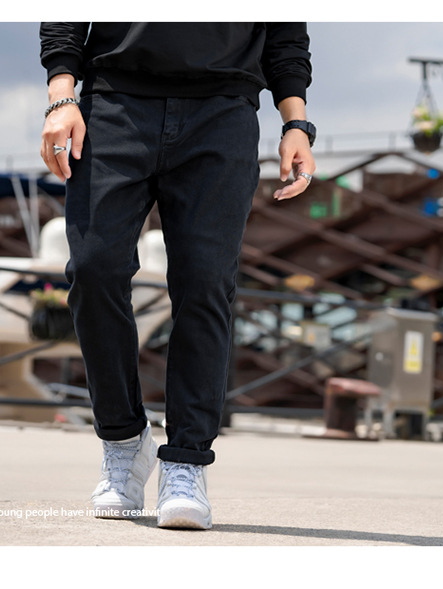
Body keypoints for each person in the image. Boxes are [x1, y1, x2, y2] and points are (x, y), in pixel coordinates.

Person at [39, 22, 315, 530]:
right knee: (94, 269)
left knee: (205, 284)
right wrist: (62, 95)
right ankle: (124, 441)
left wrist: (296, 123)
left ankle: (186, 462)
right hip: (116, 102)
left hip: (223, 112)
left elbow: (286, 36)